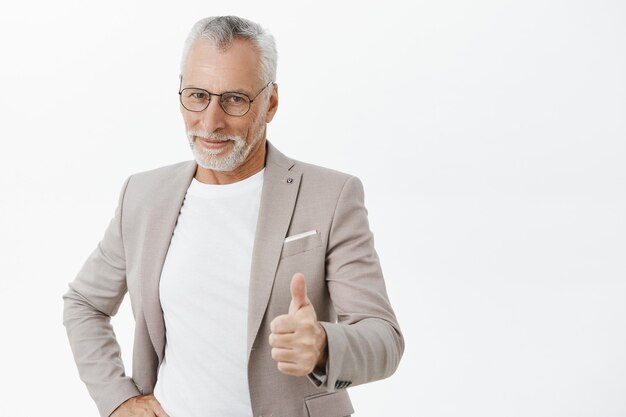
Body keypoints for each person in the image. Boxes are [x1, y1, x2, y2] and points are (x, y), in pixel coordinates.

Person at [63, 15, 404, 417]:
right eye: (197, 95)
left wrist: (324, 345)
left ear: (271, 102)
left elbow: (384, 338)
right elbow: (84, 302)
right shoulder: (143, 195)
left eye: (235, 99)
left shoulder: (330, 196)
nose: (211, 121)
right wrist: (117, 398)